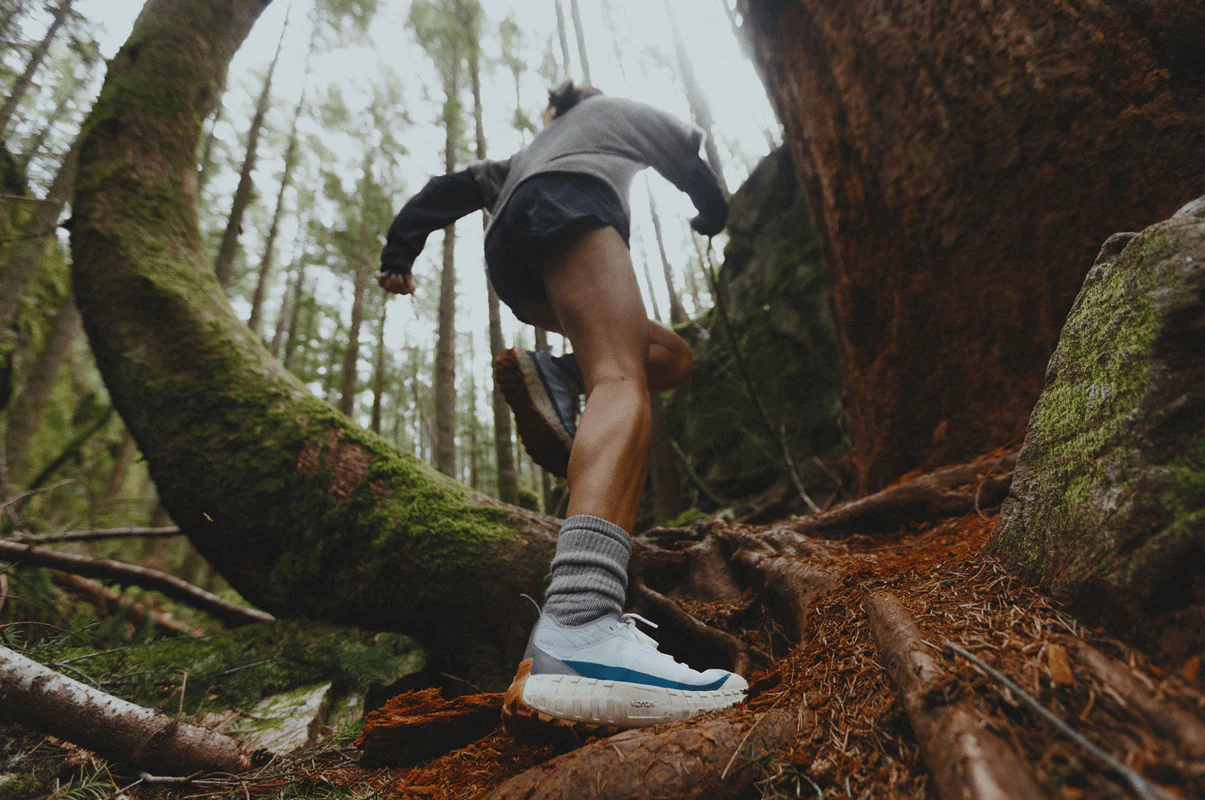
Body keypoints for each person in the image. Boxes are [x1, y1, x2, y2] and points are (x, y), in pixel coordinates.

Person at [379, 81, 744, 732]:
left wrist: (398, 252)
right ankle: (580, 629)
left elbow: (446, 191)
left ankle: (554, 370)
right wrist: (712, 217)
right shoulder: (615, 110)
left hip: (516, 261)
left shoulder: (525, 152)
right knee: (621, 380)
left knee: (670, 358)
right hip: (570, 205)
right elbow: (688, 161)